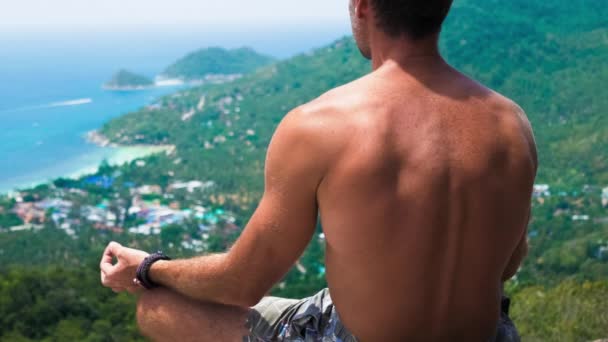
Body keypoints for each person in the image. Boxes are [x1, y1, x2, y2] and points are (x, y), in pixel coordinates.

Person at [100, 0, 537, 340]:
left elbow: (241, 284)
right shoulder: (510, 124)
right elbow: (509, 263)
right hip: (490, 336)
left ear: (362, 6)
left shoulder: (321, 125)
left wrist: (148, 268)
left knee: (157, 309)